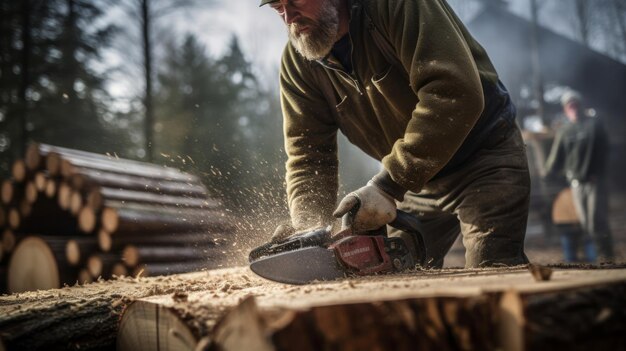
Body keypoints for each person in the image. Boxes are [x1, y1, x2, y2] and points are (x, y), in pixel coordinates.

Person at [261, 0, 530, 268]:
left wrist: (389, 184)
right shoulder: (299, 64)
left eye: (295, 1)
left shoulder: (396, 6)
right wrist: (310, 228)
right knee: (391, 273)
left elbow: (453, 92)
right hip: (417, 182)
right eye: (277, 8)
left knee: (492, 273)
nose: (288, 17)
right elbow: (309, 156)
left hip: (484, 158)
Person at [545, 90, 614, 261]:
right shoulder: (565, 131)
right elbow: (555, 158)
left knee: (597, 221)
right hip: (576, 183)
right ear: (566, 110)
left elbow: (605, 151)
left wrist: (599, 172)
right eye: (569, 105)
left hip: (594, 181)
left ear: (580, 105)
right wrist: (547, 174)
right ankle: (598, 259)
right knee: (585, 223)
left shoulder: (594, 125)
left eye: (575, 103)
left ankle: (607, 257)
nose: (573, 107)